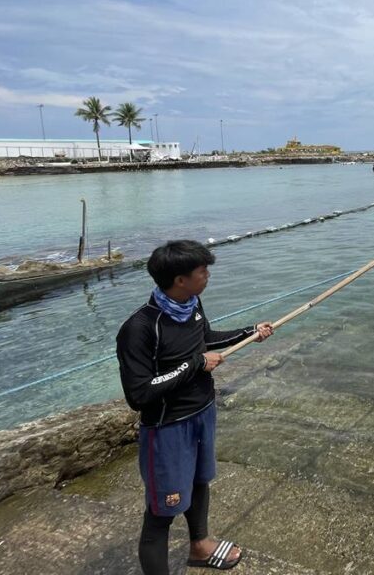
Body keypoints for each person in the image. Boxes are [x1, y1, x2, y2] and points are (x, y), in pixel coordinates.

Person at [116, 240, 274, 575]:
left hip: (203, 412)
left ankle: (200, 546)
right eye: (202, 271)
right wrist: (194, 365)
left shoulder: (192, 302)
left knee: (201, 481)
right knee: (161, 513)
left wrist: (250, 332)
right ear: (179, 280)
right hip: (167, 429)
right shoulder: (140, 328)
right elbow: (139, 394)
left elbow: (205, 339)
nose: (208, 275)